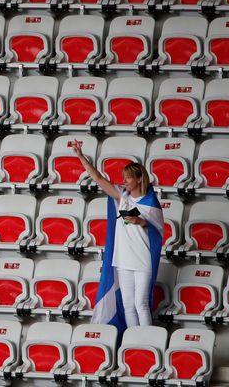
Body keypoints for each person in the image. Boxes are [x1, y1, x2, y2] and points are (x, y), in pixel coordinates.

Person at [72, 139, 164, 330]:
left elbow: (157, 229)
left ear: (139, 179)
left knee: (141, 304)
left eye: (128, 178)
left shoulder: (151, 202)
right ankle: (133, 342)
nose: (124, 181)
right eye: (124, 178)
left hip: (142, 259)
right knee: (128, 305)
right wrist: (81, 157)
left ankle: (147, 342)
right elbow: (98, 178)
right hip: (123, 259)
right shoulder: (122, 197)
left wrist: (140, 221)